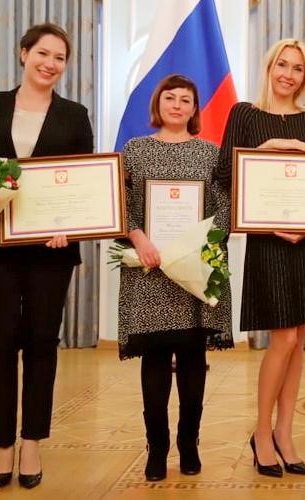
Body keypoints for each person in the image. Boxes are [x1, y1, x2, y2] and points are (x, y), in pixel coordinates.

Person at [0, 23, 93, 489]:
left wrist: (69, 227)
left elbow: (82, 183)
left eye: (59, 58)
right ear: (23, 54)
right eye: (43, 53)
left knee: (41, 342)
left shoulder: (75, 115)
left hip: (51, 252)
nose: (50, 64)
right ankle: (2, 443)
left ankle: (32, 440)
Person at [214, 38, 305, 478]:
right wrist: (267, 147)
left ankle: (285, 433)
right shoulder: (245, 114)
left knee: (298, 339)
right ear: (270, 67)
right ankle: (262, 433)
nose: (289, 74)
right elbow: (225, 174)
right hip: (268, 241)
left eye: (298, 68)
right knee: (283, 338)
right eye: (282, 65)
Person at [117, 74, 233, 481]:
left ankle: (188, 442)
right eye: (171, 98)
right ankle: (157, 446)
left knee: (192, 360)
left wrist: (198, 247)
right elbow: (122, 205)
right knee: (154, 360)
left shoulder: (210, 153)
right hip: (149, 269)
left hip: (193, 273)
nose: (178, 105)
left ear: (195, 109)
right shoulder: (135, 150)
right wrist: (139, 238)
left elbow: (223, 209)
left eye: (186, 99)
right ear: (158, 104)